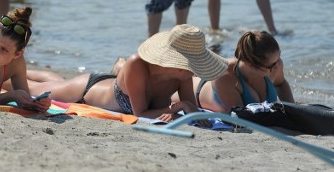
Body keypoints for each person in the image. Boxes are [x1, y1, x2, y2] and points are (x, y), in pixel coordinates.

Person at [12, 24, 228, 122]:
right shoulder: (138, 65)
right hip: (87, 90)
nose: (195, 70)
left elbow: (194, 113)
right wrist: (179, 107)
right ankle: (14, 66)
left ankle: (30, 69)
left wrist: (185, 108)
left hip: (112, 84)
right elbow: (140, 114)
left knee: (59, 81)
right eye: (193, 65)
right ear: (181, 65)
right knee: (26, 87)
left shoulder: (182, 76)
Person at [193, 31, 294, 113]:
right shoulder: (225, 76)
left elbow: (281, 85)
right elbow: (243, 118)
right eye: (271, 65)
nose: (277, 66)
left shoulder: (276, 64)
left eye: (278, 58)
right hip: (195, 90)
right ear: (251, 65)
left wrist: (293, 111)